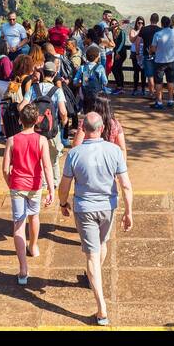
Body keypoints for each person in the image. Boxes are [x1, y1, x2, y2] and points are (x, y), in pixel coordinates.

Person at [59, 111, 134, 326]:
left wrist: (63, 204)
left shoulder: (74, 154)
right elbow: (126, 185)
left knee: (92, 256)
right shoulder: (115, 151)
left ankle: (101, 308)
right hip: (108, 207)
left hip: (85, 208)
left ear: (83, 129)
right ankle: (95, 279)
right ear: (102, 129)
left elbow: (64, 186)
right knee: (101, 245)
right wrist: (129, 211)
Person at [2, 102, 55, 285]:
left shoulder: (12, 140)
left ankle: (23, 268)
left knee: (18, 224)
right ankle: (33, 245)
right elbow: (47, 166)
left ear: (19, 120)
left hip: (17, 185)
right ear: (37, 121)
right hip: (35, 185)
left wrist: (11, 183)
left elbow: (5, 168)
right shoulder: (41, 141)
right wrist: (51, 189)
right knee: (34, 216)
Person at [149, 16, 174, 110]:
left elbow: (153, 48)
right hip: (171, 60)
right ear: (169, 23)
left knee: (158, 82)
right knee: (170, 81)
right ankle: (170, 100)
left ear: (161, 24)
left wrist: (157, 49)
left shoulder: (157, 34)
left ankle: (159, 102)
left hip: (160, 61)